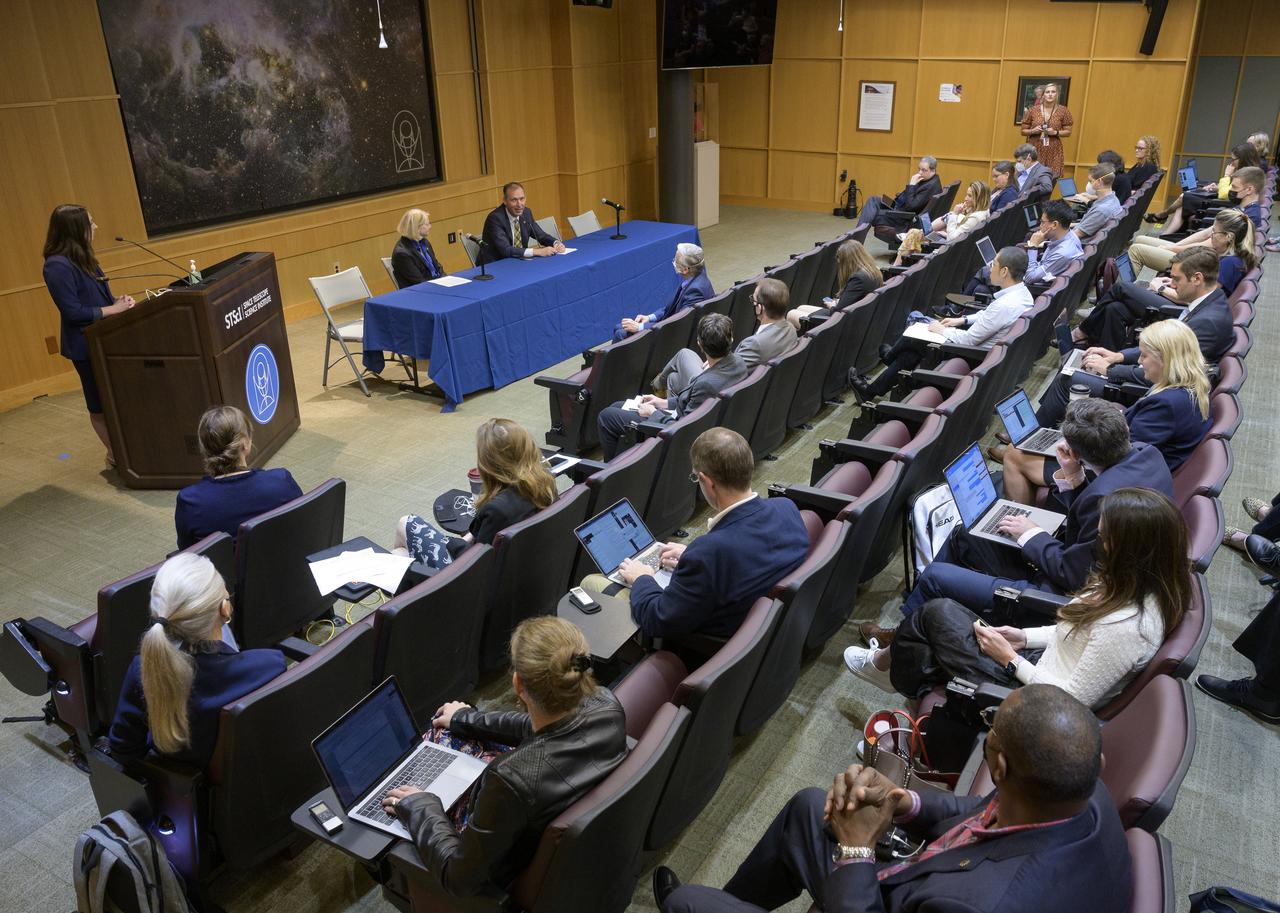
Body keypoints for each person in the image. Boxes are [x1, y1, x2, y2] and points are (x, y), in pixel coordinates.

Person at [654, 685, 1130, 913]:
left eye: (991, 725)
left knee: (688, 904)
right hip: (923, 882)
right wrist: (905, 802)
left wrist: (857, 848)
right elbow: (981, 812)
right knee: (809, 807)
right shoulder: (1079, 787)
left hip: (900, 902)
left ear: (999, 767)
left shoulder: (977, 908)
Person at [846, 488, 1188, 711]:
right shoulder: (1135, 586)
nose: (1098, 544)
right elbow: (1076, 627)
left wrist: (1010, 658)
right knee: (940, 621)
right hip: (1038, 661)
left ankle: (887, 670)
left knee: (935, 614)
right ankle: (895, 677)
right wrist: (1024, 637)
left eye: (1104, 538)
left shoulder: (1127, 627)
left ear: (1129, 550)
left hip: (1031, 699)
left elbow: (1067, 701)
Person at [384, 616, 627, 899]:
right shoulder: (606, 704)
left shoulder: (510, 778)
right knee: (449, 730)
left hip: (504, 870)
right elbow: (537, 726)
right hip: (558, 833)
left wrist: (421, 806)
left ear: (517, 683)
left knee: (433, 740)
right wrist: (465, 718)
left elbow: (459, 878)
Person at [901, 399, 1173, 620]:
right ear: (1125, 429)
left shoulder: (1103, 501)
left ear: (1075, 454)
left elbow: (1071, 575)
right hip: (1090, 567)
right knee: (966, 534)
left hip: (1055, 597)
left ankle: (909, 626)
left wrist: (1030, 534)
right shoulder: (1149, 454)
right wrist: (1074, 477)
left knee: (936, 575)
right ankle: (927, 606)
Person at [582, 428, 809, 640]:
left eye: (695, 478)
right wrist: (690, 555)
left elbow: (659, 620)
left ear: (706, 482)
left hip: (710, 644)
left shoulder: (709, 552)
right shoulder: (786, 508)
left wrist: (642, 578)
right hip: (764, 631)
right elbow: (751, 553)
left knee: (591, 582)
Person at [998, 321, 1210, 508]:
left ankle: (1017, 529)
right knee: (1035, 444)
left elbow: (1118, 456)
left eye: (1145, 356)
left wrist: (1082, 437)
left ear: (1166, 360)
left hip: (1114, 482)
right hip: (1136, 471)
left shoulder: (1166, 404)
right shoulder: (1189, 387)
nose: (1139, 362)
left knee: (1014, 454)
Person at [108, 554, 285, 767]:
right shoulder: (270, 665)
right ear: (225, 609)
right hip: (253, 770)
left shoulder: (144, 670)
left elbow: (123, 750)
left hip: (179, 780)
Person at [1037, 247, 1232, 427]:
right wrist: (1118, 356)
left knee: (1067, 378)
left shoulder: (1208, 323)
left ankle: (1034, 435)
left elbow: (1170, 373)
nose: (1172, 285)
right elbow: (1162, 351)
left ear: (1197, 278)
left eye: (1177, 279)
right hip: (1152, 376)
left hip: (1148, 390)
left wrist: (1110, 369)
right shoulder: (1209, 305)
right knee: (1115, 309)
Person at [849, 247, 1032, 403]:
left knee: (915, 335)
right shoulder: (1023, 295)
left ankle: (889, 359)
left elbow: (969, 340)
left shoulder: (1003, 306)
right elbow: (988, 315)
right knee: (910, 354)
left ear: (1004, 271)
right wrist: (963, 319)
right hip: (986, 352)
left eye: (994, 264)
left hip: (971, 354)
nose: (989, 268)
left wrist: (943, 330)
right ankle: (871, 390)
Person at [1075, 208, 1255, 351]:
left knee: (1119, 289)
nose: (1211, 236)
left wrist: (1161, 289)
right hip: (1183, 305)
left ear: (1228, 237)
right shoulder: (1230, 258)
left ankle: (1082, 331)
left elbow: (1200, 299)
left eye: (1214, 232)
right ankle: (1107, 355)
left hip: (1183, 313)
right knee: (1115, 309)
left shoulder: (1230, 263)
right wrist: (1173, 284)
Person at [42, 204, 137, 466]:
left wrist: (117, 302)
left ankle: (128, 451)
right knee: (99, 404)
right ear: (75, 229)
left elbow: (97, 298)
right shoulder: (57, 266)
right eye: (91, 222)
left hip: (106, 340)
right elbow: (72, 312)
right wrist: (112, 309)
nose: (96, 227)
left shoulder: (84, 257)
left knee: (118, 399)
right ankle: (116, 456)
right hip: (85, 346)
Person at [395, 419, 555, 569]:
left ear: (489, 464)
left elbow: (476, 561)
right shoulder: (546, 484)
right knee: (400, 555)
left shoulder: (497, 510)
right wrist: (469, 537)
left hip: (469, 576)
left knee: (405, 523)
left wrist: (453, 543)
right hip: (525, 567)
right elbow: (486, 542)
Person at [596, 313, 746, 460]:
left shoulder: (705, 384)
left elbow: (682, 431)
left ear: (700, 344)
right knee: (617, 406)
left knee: (606, 416)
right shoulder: (739, 363)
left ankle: (613, 469)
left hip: (672, 430)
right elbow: (692, 401)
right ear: (731, 339)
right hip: (686, 418)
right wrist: (662, 402)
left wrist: (653, 413)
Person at [174, 406, 303, 549]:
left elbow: (188, 553)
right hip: (286, 561)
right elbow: (304, 526)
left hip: (223, 565)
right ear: (245, 443)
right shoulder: (281, 481)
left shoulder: (190, 501)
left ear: (204, 448)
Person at [657, 278, 795, 394]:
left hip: (716, 388)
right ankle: (663, 392)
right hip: (760, 389)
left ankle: (657, 385)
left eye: (753, 300)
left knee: (683, 354)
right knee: (673, 379)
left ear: (760, 308)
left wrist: (715, 364)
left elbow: (731, 374)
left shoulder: (755, 344)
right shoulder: (790, 329)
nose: (752, 303)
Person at [1128, 165, 1266, 275]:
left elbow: (1209, 244)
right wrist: (1174, 247)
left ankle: (1124, 292)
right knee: (1140, 239)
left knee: (1136, 250)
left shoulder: (1250, 216)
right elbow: (1206, 233)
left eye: (1235, 187)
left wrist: (1174, 249)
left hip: (1203, 262)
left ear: (1249, 190)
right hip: (1197, 253)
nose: (1231, 190)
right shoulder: (1240, 207)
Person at [1145, 142, 1262, 235]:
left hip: (1223, 205)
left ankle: (1163, 217)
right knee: (1182, 205)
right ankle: (1165, 235)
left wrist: (1227, 175)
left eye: (1233, 159)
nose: (1231, 162)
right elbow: (1229, 188)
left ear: (1243, 159)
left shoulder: (1248, 174)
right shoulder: (1242, 170)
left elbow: (1225, 194)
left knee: (1184, 197)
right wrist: (1217, 187)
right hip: (1221, 201)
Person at [613, 243, 713, 341]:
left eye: (676, 260)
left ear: (685, 269)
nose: (674, 262)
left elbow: (675, 325)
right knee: (619, 327)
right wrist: (649, 318)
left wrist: (640, 327)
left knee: (620, 334)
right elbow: (671, 309)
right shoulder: (698, 276)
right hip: (673, 326)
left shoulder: (695, 292)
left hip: (673, 337)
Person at [786, 238, 883, 329]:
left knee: (791, 314)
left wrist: (832, 306)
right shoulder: (874, 270)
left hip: (843, 323)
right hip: (858, 316)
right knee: (801, 307)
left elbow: (838, 312)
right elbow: (856, 299)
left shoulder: (858, 279)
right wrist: (840, 302)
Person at [479, 182, 566, 264]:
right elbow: (506, 250)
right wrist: (538, 251)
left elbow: (541, 236)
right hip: (496, 264)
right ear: (505, 201)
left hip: (519, 262)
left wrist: (555, 243)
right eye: (514, 200)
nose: (519, 204)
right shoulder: (495, 218)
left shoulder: (526, 213)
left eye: (522, 199)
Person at [853, 157, 942, 233]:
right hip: (900, 208)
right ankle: (857, 235)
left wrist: (911, 185)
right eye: (919, 169)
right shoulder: (930, 180)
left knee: (871, 214)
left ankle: (856, 236)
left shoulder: (930, 187)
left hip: (904, 219)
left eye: (924, 170)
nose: (920, 173)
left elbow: (910, 206)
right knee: (873, 200)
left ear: (933, 170)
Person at [1019, 82, 1073, 177]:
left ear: (1057, 94)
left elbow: (1068, 132)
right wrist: (1033, 131)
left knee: (1051, 178)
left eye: (1053, 92)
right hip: (1034, 148)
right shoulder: (1032, 110)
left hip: (1053, 150)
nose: (1050, 94)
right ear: (1043, 94)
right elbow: (1023, 131)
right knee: (1031, 177)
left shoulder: (1063, 111)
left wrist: (1055, 132)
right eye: (1047, 92)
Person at [390, 208, 446, 288]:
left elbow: (437, 267)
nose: (430, 227)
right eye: (427, 224)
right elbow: (419, 282)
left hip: (436, 285)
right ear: (416, 227)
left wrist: (447, 280)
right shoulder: (402, 254)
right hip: (421, 291)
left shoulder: (424, 242)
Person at [1072, 165, 1122, 241]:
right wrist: (1069, 225)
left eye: (1090, 181)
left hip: (1079, 244)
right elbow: (1090, 224)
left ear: (1099, 181)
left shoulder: (1101, 210)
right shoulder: (1114, 199)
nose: (1089, 184)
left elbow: (1076, 235)